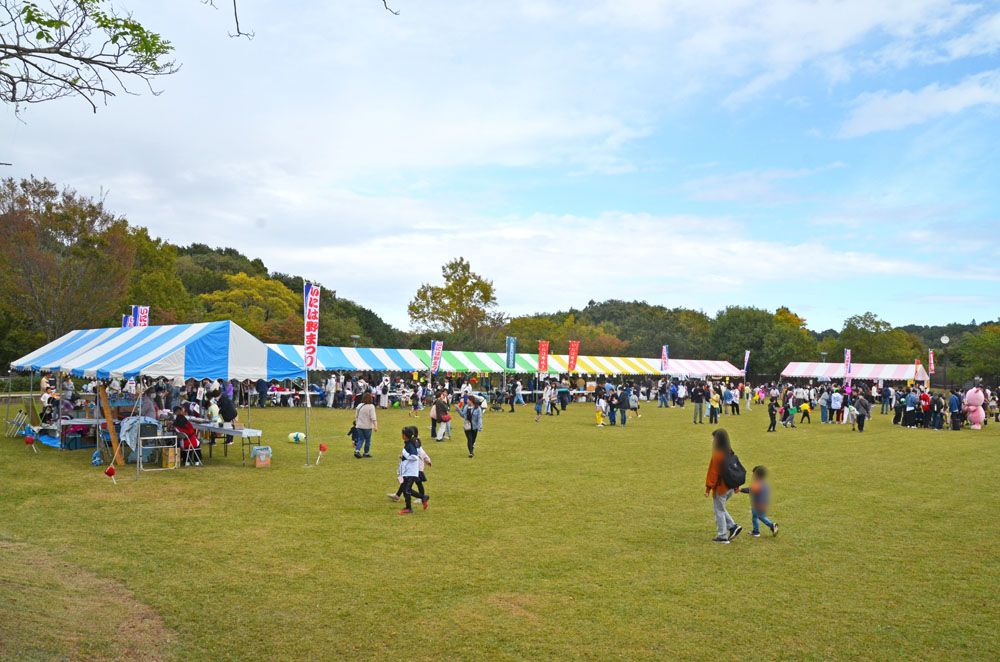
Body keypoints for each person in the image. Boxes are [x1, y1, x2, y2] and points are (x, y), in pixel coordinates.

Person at [704, 428, 742, 544]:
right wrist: (736, 487)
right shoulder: (729, 452)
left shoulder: (717, 455)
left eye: (713, 438)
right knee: (720, 508)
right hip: (730, 487)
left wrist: (708, 488)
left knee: (718, 510)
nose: (712, 440)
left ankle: (723, 535)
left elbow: (713, 473)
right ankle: (732, 526)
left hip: (721, 488)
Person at [395, 426, 428, 514]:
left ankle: (409, 508)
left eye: (402, 433)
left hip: (411, 471)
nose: (401, 435)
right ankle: (422, 498)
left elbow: (414, 457)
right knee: (406, 490)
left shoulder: (410, 444)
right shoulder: (408, 443)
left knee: (407, 490)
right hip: (407, 471)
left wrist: (405, 454)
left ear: (405, 435)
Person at [739, 466, 778, 537]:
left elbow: (750, 490)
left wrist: (740, 489)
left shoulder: (757, 484)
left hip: (757, 504)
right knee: (758, 516)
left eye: (754, 474)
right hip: (764, 503)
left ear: (757, 475)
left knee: (758, 517)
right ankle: (757, 531)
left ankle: (770, 526)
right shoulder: (765, 484)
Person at [354, 393, 378, 458]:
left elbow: (356, 416)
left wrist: (357, 423)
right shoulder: (371, 406)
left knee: (360, 439)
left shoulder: (359, 405)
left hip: (359, 425)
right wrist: (375, 426)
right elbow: (373, 418)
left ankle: (357, 450)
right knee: (368, 440)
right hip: (367, 426)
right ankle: (366, 453)